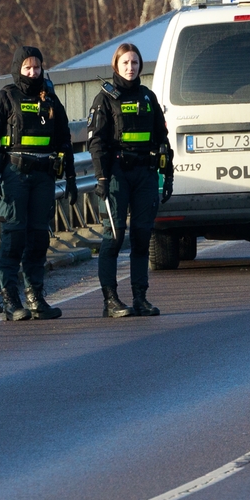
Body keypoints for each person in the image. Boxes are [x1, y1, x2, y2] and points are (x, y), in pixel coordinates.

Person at [0, 46, 76, 321]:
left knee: (37, 238)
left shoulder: (50, 100)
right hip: (14, 176)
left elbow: (65, 141)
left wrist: (70, 178)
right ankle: (11, 301)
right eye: (27, 68)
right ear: (17, 69)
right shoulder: (5, 98)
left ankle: (36, 298)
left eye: (37, 68)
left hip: (44, 177)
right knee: (14, 237)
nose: (33, 73)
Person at [89, 42, 171, 318]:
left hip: (145, 173)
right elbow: (96, 142)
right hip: (116, 174)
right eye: (125, 63)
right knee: (114, 236)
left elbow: (162, 139)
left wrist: (167, 174)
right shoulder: (105, 99)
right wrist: (101, 177)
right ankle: (110, 299)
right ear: (116, 65)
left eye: (134, 63)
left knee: (141, 236)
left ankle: (140, 297)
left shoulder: (148, 98)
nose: (130, 67)